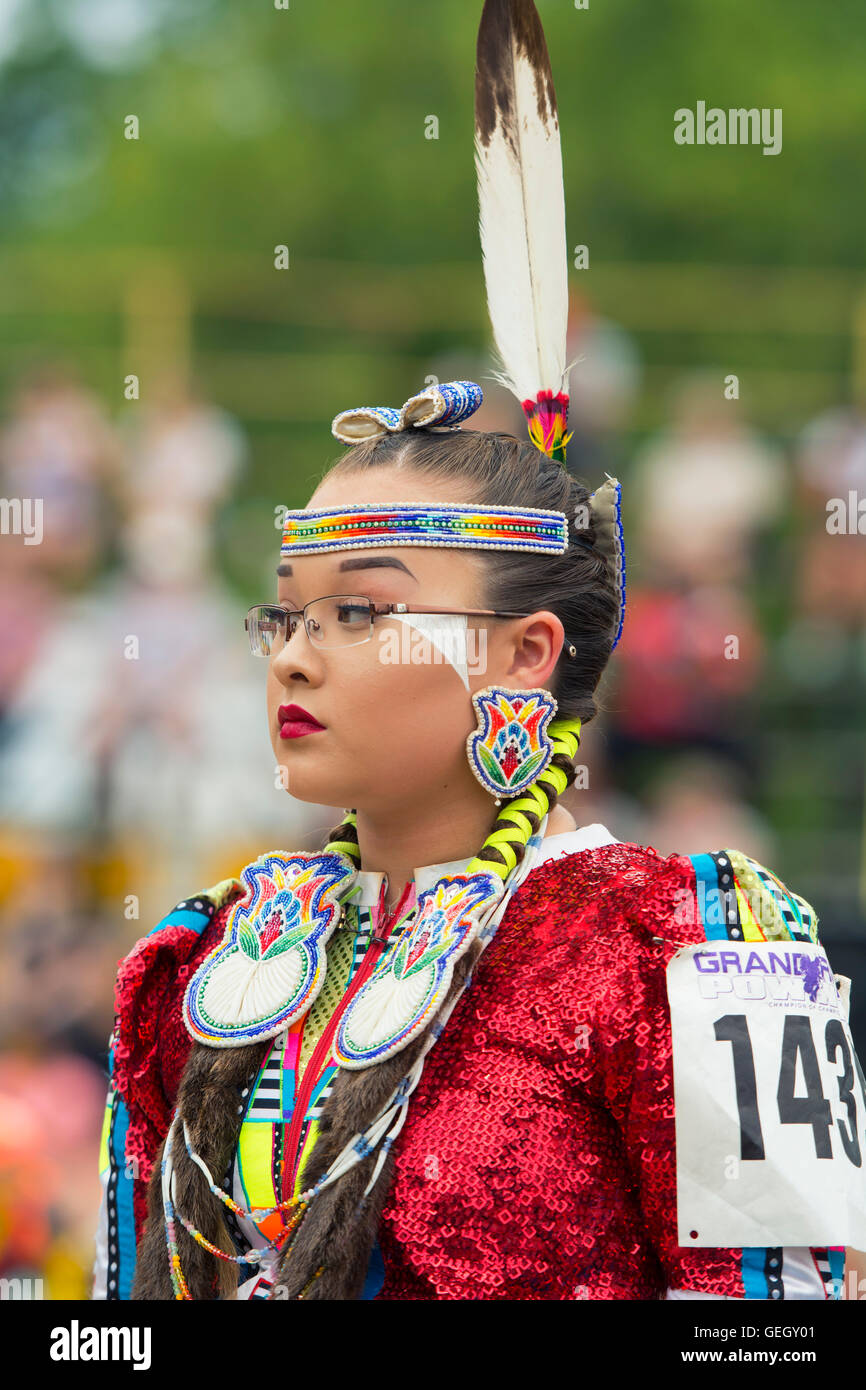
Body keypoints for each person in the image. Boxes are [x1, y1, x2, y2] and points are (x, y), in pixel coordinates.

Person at [91, 0, 864, 1301]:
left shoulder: (688, 944)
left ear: (523, 652)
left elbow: (788, 1326)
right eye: (283, 610)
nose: (292, 654)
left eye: (359, 610)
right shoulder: (202, 963)